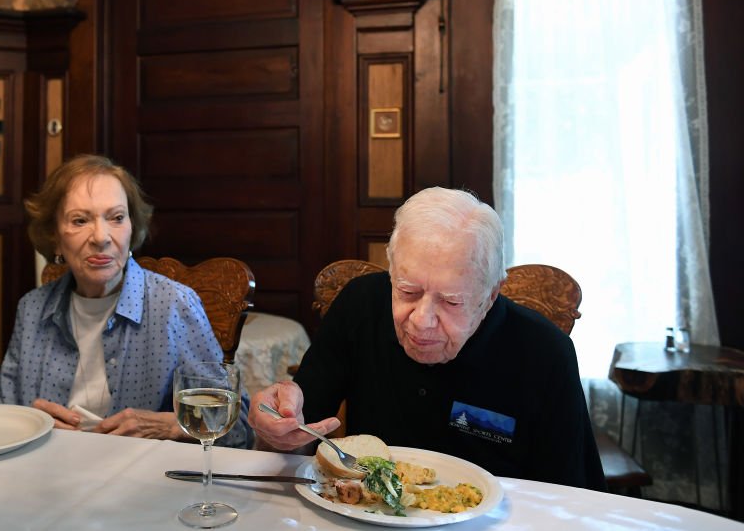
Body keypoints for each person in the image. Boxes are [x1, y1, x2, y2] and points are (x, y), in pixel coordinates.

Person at [248, 187, 605, 491]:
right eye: (407, 291)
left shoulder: (544, 352)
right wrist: (276, 427)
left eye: (451, 302)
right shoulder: (360, 305)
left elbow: (570, 495)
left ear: (490, 296)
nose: (421, 321)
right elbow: (298, 436)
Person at [0, 154, 252, 448]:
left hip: (144, 481)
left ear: (132, 227)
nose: (101, 237)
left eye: (116, 218)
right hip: (48, 476)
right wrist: (31, 425)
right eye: (80, 220)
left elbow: (239, 428)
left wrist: (171, 425)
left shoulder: (174, 305)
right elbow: (0, 416)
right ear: (54, 236)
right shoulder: (32, 309)